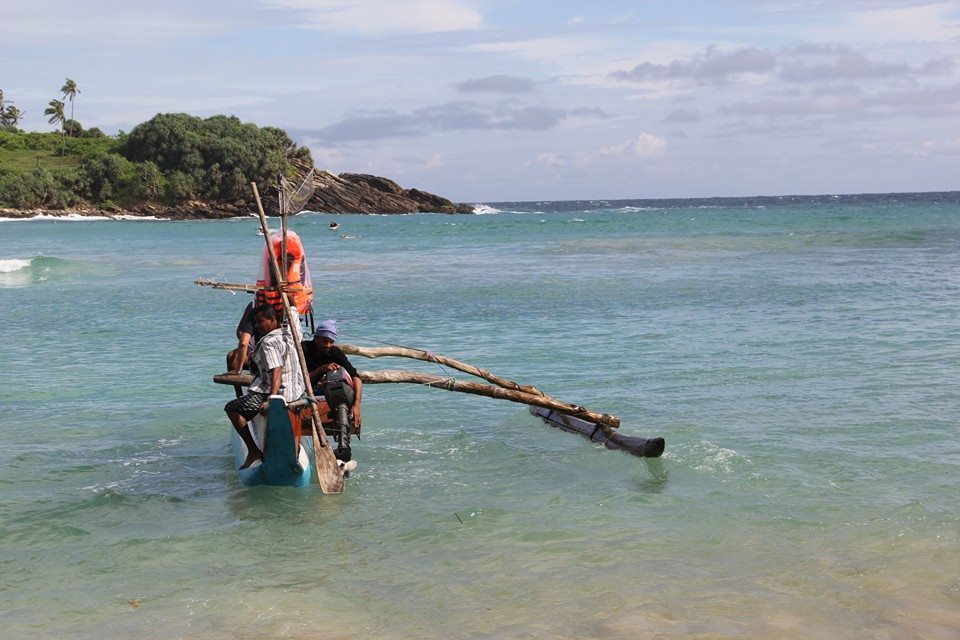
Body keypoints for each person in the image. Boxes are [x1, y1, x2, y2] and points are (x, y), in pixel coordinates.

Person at [224, 304, 305, 469]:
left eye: (260, 321)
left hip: (278, 392)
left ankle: (253, 450)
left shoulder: (269, 342)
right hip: (296, 391)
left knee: (231, 409)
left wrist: (271, 400)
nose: (257, 325)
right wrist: (290, 300)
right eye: (255, 322)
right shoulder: (291, 332)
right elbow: (294, 313)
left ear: (273, 320)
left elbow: (277, 370)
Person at [302, 319, 362, 427]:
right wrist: (322, 369)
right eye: (325, 341)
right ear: (316, 338)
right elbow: (299, 380)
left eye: (331, 342)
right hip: (302, 390)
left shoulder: (334, 352)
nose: (328, 345)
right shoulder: (304, 349)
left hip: (320, 391)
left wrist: (357, 405)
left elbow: (356, 377)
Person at [226, 301, 259, 373]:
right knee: (232, 357)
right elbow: (240, 330)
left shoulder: (279, 306)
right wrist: (249, 347)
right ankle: (238, 378)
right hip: (252, 349)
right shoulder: (253, 305)